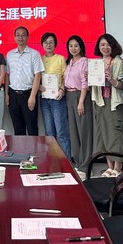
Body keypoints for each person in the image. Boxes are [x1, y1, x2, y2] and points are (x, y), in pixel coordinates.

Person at [92, 33, 123, 177]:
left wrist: (111, 80)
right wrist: (89, 77)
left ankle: (118, 168)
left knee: (116, 134)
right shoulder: (95, 63)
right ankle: (109, 167)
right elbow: (93, 85)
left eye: (108, 45)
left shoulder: (119, 62)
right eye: (102, 45)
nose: (105, 47)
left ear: (113, 46)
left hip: (115, 103)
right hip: (101, 102)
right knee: (104, 134)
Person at [5, 26, 44, 136]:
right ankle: (20, 148)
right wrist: (6, 95)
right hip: (13, 95)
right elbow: (7, 75)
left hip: (28, 94)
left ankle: (33, 148)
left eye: (23, 35)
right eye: (18, 35)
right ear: (14, 37)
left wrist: (32, 96)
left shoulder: (34, 54)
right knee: (18, 129)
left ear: (27, 37)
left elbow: (38, 75)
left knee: (32, 128)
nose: (20, 37)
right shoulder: (9, 54)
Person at [39, 32, 71, 160]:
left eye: (51, 42)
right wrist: (39, 86)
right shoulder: (39, 59)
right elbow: (35, 77)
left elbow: (65, 77)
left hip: (58, 99)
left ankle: (66, 161)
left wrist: (62, 89)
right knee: (49, 133)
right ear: (42, 44)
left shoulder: (60, 58)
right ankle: (51, 161)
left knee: (61, 131)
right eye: (46, 42)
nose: (48, 45)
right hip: (44, 100)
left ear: (55, 44)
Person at [64, 35, 92, 173]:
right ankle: (79, 162)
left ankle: (86, 166)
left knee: (84, 131)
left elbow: (84, 83)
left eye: (76, 45)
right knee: (73, 130)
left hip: (81, 96)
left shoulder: (84, 61)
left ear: (81, 47)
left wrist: (81, 102)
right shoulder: (69, 62)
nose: (73, 48)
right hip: (69, 96)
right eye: (71, 46)